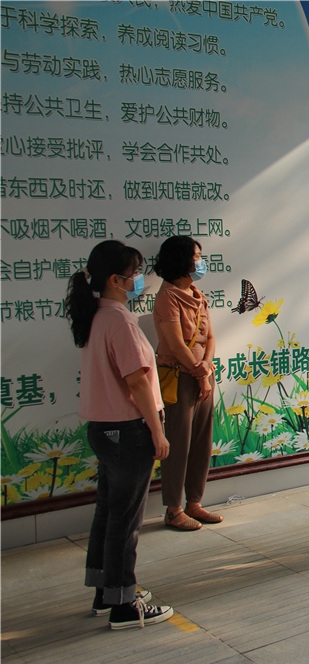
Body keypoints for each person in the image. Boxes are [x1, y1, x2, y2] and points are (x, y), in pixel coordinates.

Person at [66, 240, 174, 630]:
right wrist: (157, 431)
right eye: (135, 274)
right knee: (125, 521)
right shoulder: (120, 321)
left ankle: (105, 591)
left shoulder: (97, 315)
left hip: (103, 429)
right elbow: (137, 381)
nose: (139, 280)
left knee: (109, 512)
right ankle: (124, 604)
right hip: (128, 430)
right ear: (115, 280)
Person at [153, 236, 220, 531]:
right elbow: (175, 344)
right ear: (181, 260)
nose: (200, 262)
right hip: (180, 376)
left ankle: (194, 502)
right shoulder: (167, 296)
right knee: (178, 443)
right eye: (196, 256)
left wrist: (206, 367)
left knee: (202, 441)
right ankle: (173, 509)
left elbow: (210, 337)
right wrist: (199, 373)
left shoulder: (196, 294)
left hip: (203, 375)